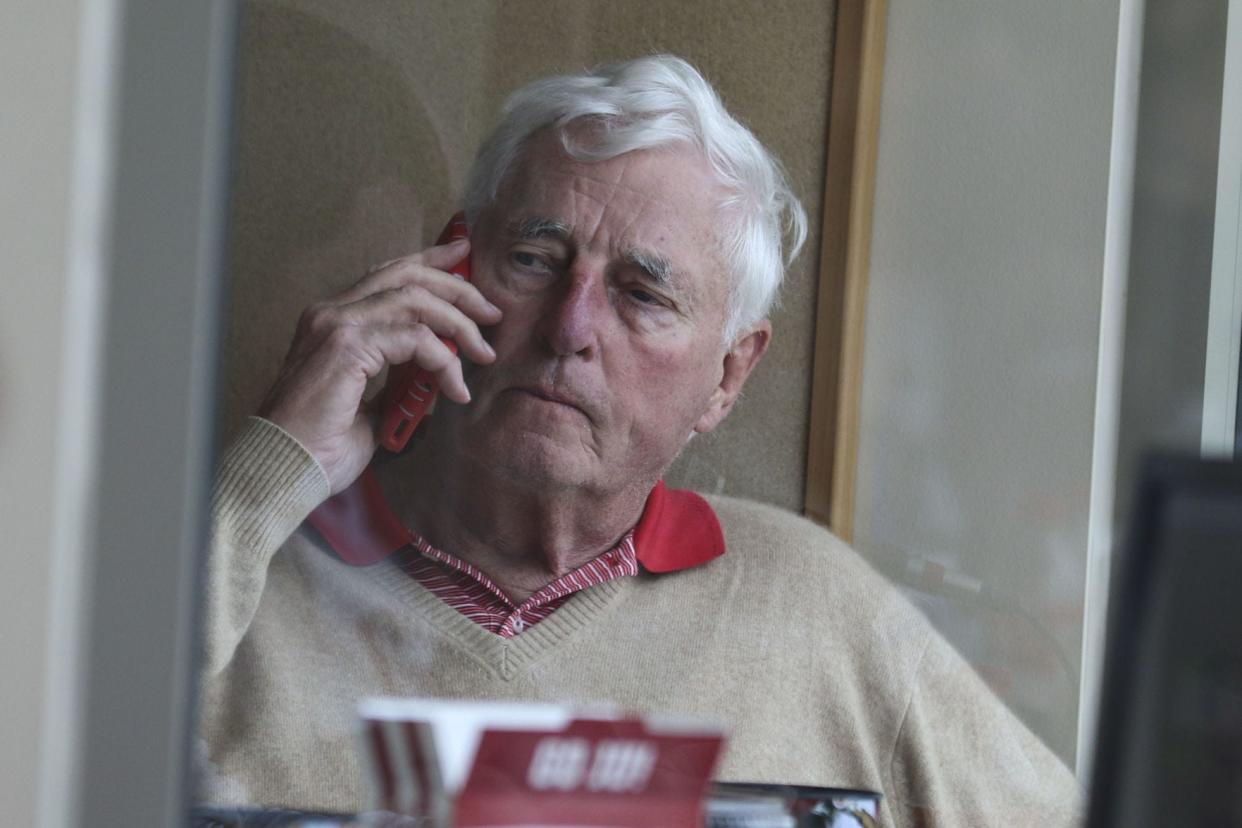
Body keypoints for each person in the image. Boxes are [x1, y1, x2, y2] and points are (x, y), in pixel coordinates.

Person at [199, 55, 1079, 825]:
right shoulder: (243, 561)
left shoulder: (821, 614)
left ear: (728, 377)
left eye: (643, 294)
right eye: (536, 259)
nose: (571, 327)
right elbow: (64, 739)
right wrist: (270, 473)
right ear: (451, 267)